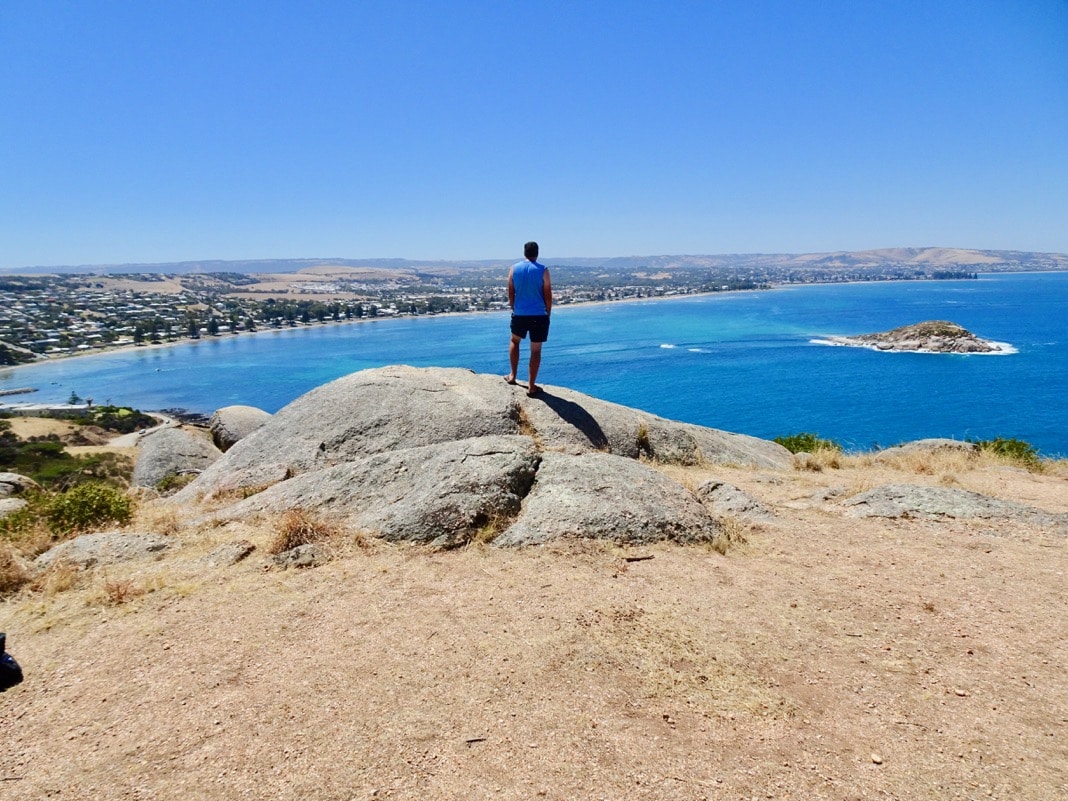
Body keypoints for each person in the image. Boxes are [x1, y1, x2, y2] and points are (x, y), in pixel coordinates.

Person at [504, 241, 552, 397]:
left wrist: (514, 307)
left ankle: (512, 376)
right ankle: (531, 386)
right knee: (536, 350)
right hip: (539, 314)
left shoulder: (513, 269)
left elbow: (511, 292)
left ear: (524, 253)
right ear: (537, 253)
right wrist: (548, 312)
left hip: (520, 314)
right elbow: (547, 294)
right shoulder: (543, 270)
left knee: (514, 341)